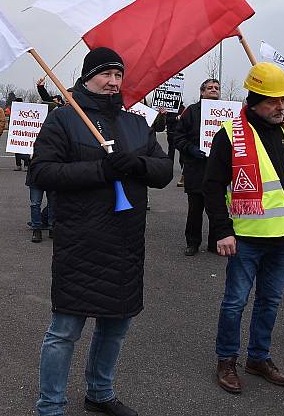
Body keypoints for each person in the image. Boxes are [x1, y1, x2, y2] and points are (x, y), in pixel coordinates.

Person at [30, 47, 172, 416]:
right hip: (80, 240)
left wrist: (136, 164)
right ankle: (50, 405)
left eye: (118, 75)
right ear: (87, 77)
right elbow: (42, 173)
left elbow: (163, 171)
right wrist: (101, 171)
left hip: (125, 243)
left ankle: (100, 392)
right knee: (64, 332)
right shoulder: (64, 119)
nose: (113, 82)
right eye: (105, 74)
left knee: (115, 327)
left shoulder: (136, 124)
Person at [204, 62, 284, 395]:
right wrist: (221, 230)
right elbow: (212, 186)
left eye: (282, 98)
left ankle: (259, 358)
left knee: (269, 302)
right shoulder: (230, 133)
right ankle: (226, 360)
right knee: (235, 303)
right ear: (254, 99)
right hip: (245, 237)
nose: (280, 106)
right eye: (272, 100)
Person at [173, 78, 220, 256]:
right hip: (196, 168)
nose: (213, 90)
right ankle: (192, 243)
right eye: (209, 88)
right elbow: (178, 137)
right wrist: (191, 149)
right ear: (202, 92)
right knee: (195, 210)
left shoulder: (226, 113)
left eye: (216, 88)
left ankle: (215, 243)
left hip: (218, 170)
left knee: (216, 209)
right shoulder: (191, 111)